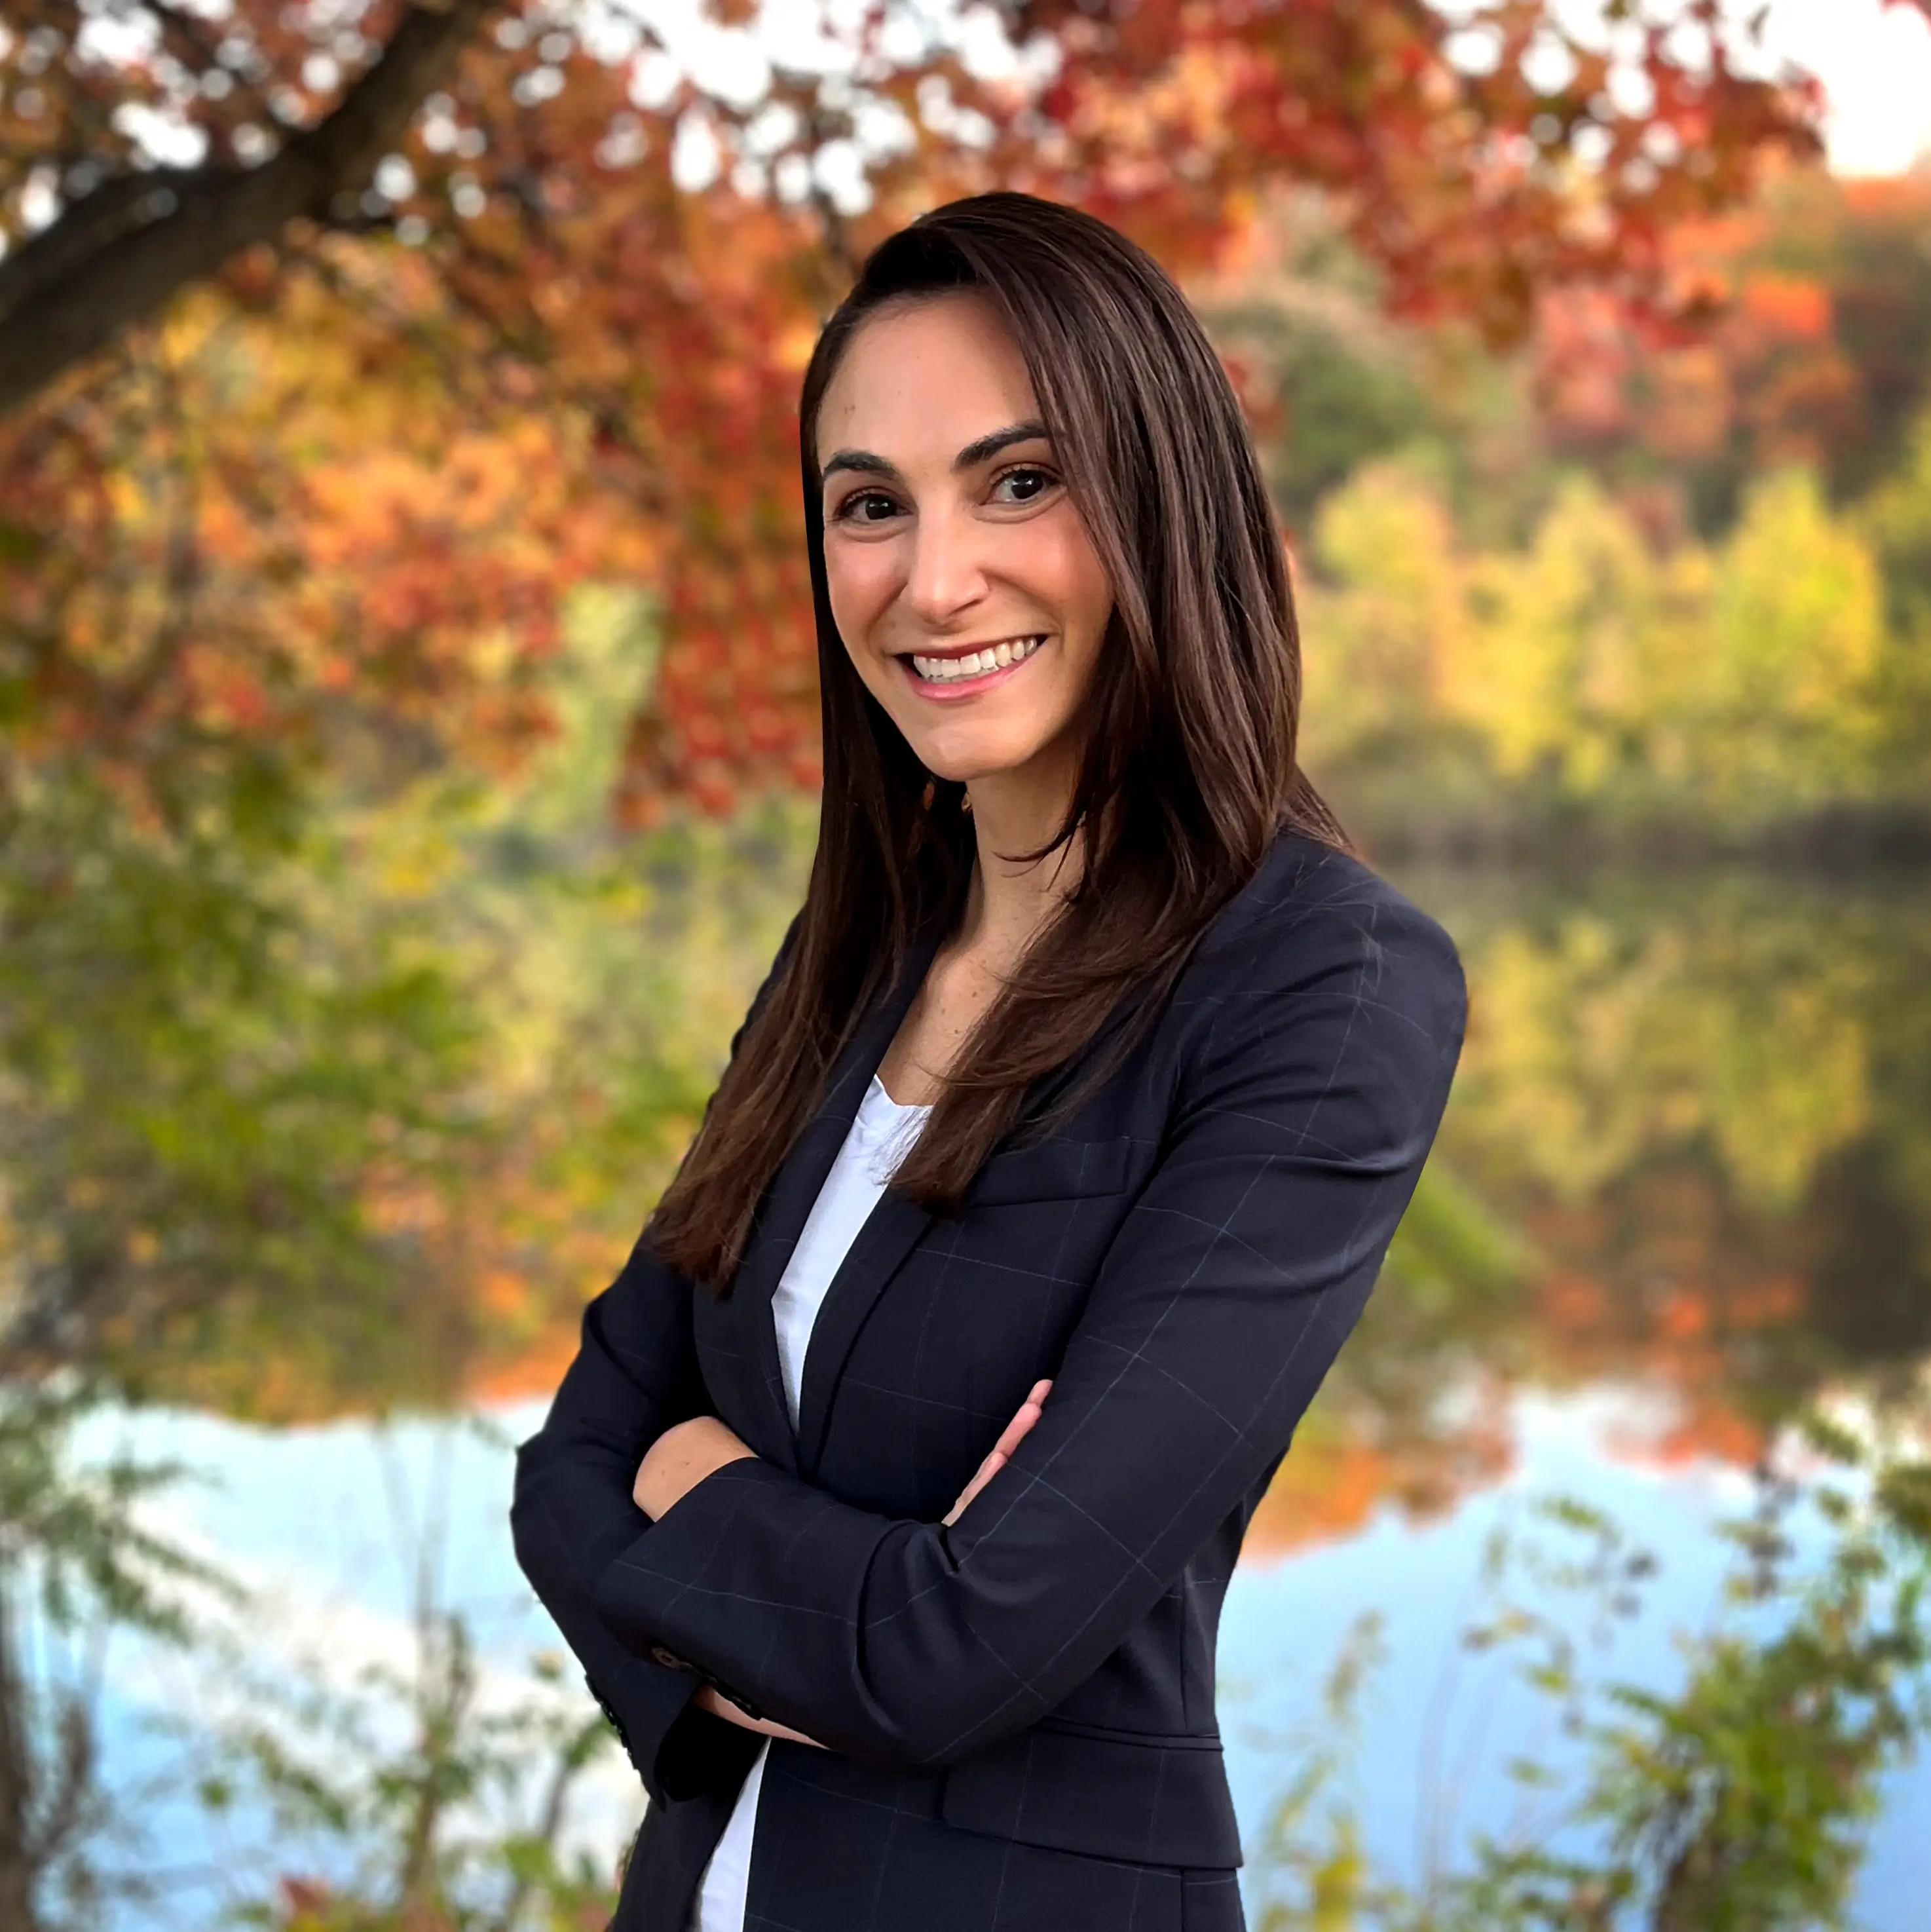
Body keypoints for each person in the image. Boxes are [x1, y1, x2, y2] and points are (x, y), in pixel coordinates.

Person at [510, 190, 1467, 1932]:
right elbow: (571, 1459)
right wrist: (796, 1578)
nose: (930, 578)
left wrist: (701, 1493)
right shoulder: (860, 951)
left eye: (1018, 481)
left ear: (1158, 501)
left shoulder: (1321, 986)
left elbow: (953, 1647)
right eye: (869, 505)